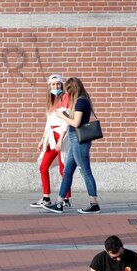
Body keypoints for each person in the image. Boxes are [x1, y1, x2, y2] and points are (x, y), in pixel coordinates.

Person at [43, 77, 101, 214]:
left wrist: (62, 116)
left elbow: (76, 123)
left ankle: (94, 203)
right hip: (75, 139)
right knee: (67, 171)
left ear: (74, 88)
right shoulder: (81, 100)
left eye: (69, 89)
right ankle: (59, 203)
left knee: (85, 172)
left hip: (79, 141)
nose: (67, 92)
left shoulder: (81, 101)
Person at [31, 74, 70, 208]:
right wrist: (42, 139)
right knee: (43, 166)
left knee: (63, 167)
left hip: (62, 135)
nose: (56, 86)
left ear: (61, 85)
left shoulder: (65, 97)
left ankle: (66, 198)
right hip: (51, 136)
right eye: (53, 84)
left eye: (58, 84)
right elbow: (49, 122)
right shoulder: (50, 100)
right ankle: (46, 197)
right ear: (49, 86)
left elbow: (66, 120)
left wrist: (61, 141)